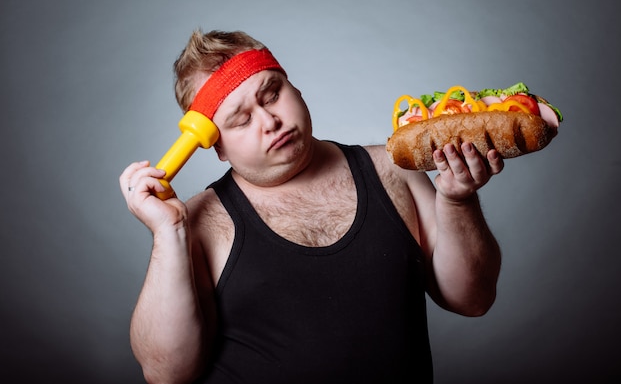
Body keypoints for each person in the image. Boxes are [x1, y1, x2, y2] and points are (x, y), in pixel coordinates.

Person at [119, 29, 503, 384]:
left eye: (271, 94)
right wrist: (169, 233)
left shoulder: (393, 169)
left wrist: (457, 199)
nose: (269, 120)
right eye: (240, 119)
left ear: (294, 88)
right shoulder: (200, 221)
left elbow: (473, 299)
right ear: (217, 146)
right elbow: (166, 373)